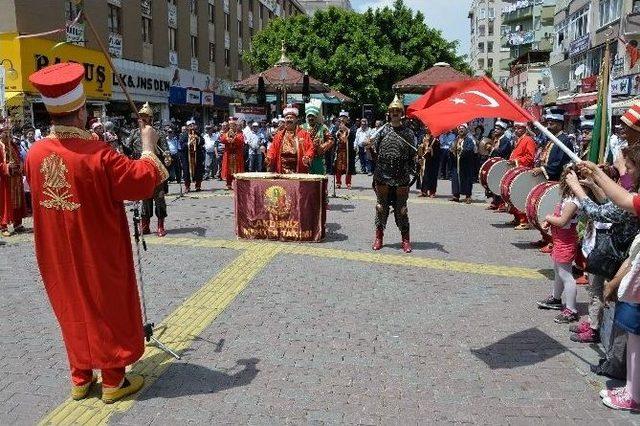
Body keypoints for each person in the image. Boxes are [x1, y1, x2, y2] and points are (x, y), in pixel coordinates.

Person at [25, 62, 168, 404]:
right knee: (107, 307)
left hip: (56, 253)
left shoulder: (34, 153)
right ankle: (113, 381)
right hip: (98, 250)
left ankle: (79, 377)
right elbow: (142, 180)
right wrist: (148, 145)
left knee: (71, 306)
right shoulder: (98, 155)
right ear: (81, 112)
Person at [370, 95, 416, 253]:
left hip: (401, 175)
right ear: (389, 113)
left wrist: (420, 158)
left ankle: (405, 240)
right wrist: (368, 147)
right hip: (383, 174)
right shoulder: (381, 130)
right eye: (392, 111)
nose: (395, 113)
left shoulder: (408, 133)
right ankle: (379, 237)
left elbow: (413, 155)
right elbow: (373, 154)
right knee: (381, 208)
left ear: (402, 113)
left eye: (397, 111)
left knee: (402, 209)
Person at [536, 168, 581, 324]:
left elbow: (562, 221)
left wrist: (547, 217)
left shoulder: (573, 201)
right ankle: (556, 298)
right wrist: (549, 221)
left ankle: (571, 309)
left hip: (565, 241)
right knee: (558, 271)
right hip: (560, 240)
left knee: (566, 275)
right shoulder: (568, 198)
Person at [531, 108, 575, 253]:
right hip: (549, 178)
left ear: (560, 124)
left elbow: (558, 163)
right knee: (544, 207)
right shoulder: (553, 139)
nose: (548, 126)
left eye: (552, 123)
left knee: (554, 211)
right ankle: (546, 237)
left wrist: (543, 170)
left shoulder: (564, 140)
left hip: (557, 180)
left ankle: (554, 242)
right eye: (548, 123)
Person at [125, 103, 172, 237]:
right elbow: (128, 149)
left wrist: (167, 156)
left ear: (151, 118)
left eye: (146, 117)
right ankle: (145, 225)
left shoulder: (158, 132)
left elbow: (165, 148)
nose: (143, 119)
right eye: (141, 116)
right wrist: (121, 146)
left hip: (155, 167)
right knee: (145, 197)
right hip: (141, 167)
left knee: (159, 197)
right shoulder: (134, 132)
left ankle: (160, 225)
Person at [507, 122, 537, 229]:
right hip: (516, 171)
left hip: (523, 172)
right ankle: (517, 218)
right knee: (513, 195)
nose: (516, 130)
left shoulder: (528, 140)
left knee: (520, 196)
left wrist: (515, 161)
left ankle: (524, 220)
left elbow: (530, 158)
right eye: (515, 128)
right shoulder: (519, 139)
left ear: (525, 128)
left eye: (519, 128)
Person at [266, 106, 314, 174]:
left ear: (296, 119)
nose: (289, 119)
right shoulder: (279, 135)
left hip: (298, 168)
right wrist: (269, 157)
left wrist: (307, 157)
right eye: (287, 118)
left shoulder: (304, 134)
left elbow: (310, 148)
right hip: (281, 169)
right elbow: (272, 149)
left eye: (291, 118)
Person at [0, 119, 27, 236]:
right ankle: (3, 226)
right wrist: (6, 166)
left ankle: (17, 224)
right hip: (4, 180)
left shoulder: (13, 145)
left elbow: (19, 158)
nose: (8, 135)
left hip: (15, 178)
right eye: (5, 132)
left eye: (9, 132)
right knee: (4, 203)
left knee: (18, 202)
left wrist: (20, 165)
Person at [486, 120, 513, 210]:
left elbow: (502, 152)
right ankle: (495, 202)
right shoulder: (495, 139)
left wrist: (492, 148)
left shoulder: (505, 140)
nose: (495, 130)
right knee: (493, 183)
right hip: (495, 165)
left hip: (501, 165)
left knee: (499, 184)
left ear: (503, 130)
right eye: (495, 128)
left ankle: (501, 204)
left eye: (498, 129)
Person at [301, 102, 333, 175]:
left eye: (313, 116)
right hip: (305, 158)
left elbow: (331, 140)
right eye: (309, 116)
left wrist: (322, 147)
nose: (311, 118)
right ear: (307, 117)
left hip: (318, 158)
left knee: (319, 179)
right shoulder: (301, 127)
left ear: (316, 117)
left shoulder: (323, 127)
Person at [449, 124, 477, 204]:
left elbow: (470, 149)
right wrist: (452, 151)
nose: (460, 130)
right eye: (459, 129)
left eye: (462, 129)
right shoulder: (455, 140)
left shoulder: (469, 140)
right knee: (455, 179)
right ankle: (456, 195)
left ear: (466, 130)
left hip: (466, 164)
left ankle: (468, 196)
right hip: (456, 163)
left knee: (467, 179)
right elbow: (451, 148)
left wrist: (461, 150)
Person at [179, 119, 205, 192]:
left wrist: (198, 139)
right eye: (190, 126)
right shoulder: (184, 135)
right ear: (187, 127)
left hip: (197, 156)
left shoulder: (198, 134)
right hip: (187, 157)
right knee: (186, 172)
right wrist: (189, 143)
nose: (192, 127)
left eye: (193, 125)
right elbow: (182, 145)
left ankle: (198, 186)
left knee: (198, 171)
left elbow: (203, 142)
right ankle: (187, 187)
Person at [219, 117, 245, 189]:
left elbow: (241, 141)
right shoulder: (226, 133)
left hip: (237, 154)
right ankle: (229, 183)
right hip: (228, 154)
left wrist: (234, 138)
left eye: (233, 125)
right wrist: (227, 139)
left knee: (237, 169)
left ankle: (237, 183)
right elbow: (222, 139)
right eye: (231, 125)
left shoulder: (239, 133)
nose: (232, 127)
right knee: (228, 169)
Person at [334, 111, 357, 189]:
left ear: (347, 119)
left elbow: (353, 135)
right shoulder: (336, 126)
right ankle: (338, 182)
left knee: (348, 167)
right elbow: (333, 135)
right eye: (341, 117)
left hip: (348, 150)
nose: (343, 119)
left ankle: (348, 183)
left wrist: (346, 129)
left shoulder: (352, 126)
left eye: (344, 117)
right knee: (338, 167)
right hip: (339, 151)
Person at [416, 129, 440, 197]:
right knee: (423, 176)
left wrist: (432, 150)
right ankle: (424, 191)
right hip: (423, 159)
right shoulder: (422, 137)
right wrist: (420, 148)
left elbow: (438, 151)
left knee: (432, 176)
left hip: (432, 160)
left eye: (428, 127)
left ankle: (432, 192)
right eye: (425, 127)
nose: (427, 128)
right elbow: (418, 146)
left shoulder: (435, 139)